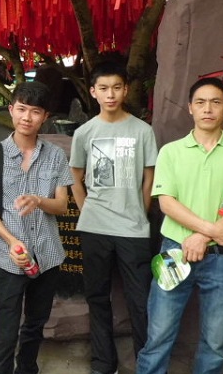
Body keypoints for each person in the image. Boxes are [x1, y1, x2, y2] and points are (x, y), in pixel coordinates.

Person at [135, 77, 223, 374]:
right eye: (200, 102)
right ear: (190, 108)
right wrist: (212, 230)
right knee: (158, 337)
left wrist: (203, 237)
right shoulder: (171, 152)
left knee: (215, 343)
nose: (208, 109)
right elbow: (167, 203)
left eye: (215, 102)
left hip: (221, 258)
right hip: (174, 251)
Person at [69, 60, 158, 374]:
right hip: (95, 228)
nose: (110, 94)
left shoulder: (142, 131)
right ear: (93, 92)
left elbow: (149, 179)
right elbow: (75, 177)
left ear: (126, 90)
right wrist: (87, 211)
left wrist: (139, 212)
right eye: (104, 88)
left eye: (117, 88)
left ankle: (147, 364)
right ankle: (103, 363)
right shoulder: (84, 132)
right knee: (97, 296)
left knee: (140, 299)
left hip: (133, 228)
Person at [0, 82, 74, 374]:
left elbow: (62, 206)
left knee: (35, 325)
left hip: (47, 255)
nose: (27, 117)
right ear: (11, 110)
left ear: (45, 116)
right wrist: (11, 241)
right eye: (21, 109)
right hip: (10, 258)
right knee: (6, 332)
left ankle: (27, 369)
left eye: (35, 111)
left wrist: (39, 200)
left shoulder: (55, 155)